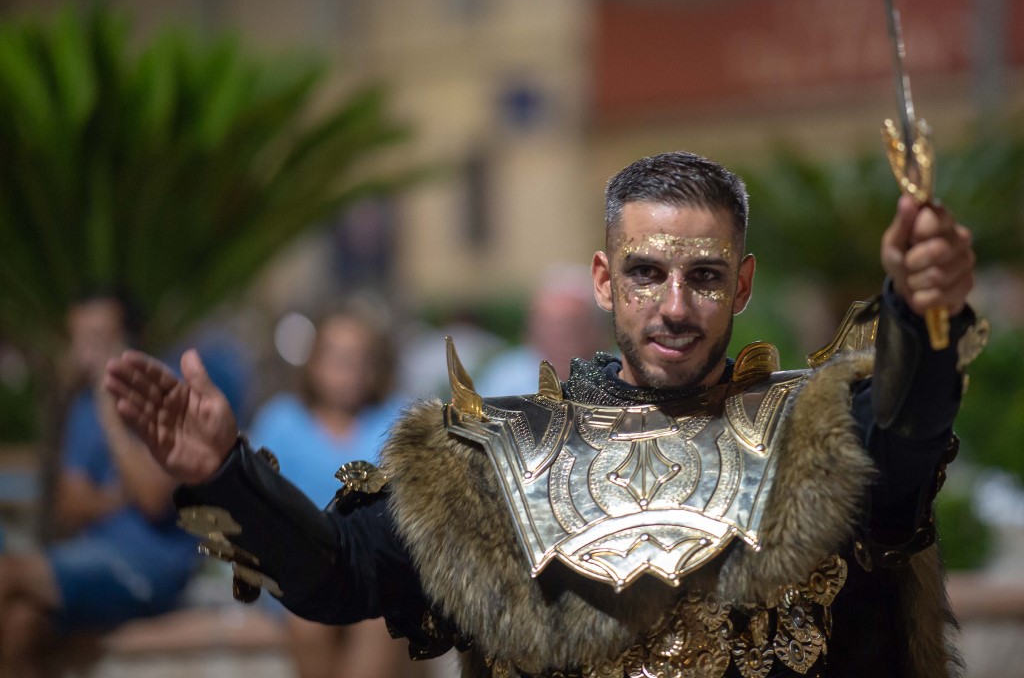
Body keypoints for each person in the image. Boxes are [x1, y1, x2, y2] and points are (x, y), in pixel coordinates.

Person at [104, 152, 982, 678]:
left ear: (742, 285)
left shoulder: (818, 435)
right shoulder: (489, 459)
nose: (675, 306)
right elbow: (341, 574)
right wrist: (224, 473)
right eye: (647, 273)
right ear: (605, 279)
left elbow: (906, 438)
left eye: (705, 277)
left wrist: (920, 312)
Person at [0, 295, 198, 678]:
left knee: (5, 573)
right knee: (21, 627)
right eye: (78, 339)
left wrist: (111, 416)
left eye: (97, 338)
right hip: (88, 558)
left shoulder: (167, 398)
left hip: (148, 569)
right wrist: (121, 494)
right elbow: (70, 504)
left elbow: (152, 498)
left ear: (131, 340)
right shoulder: (81, 409)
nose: (85, 352)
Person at [247, 303, 406, 678]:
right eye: (335, 356)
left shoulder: (397, 420)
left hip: (376, 567)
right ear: (314, 362)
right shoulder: (280, 421)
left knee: (380, 621)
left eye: (357, 358)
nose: (346, 369)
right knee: (307, 620)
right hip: (300, 566)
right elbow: (257, 502)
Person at [474, 264, 610, 397]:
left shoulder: (616, 376)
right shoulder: (504, 377)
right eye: (546, 326)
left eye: (569, 326)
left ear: (597, 331)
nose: (557, 337)